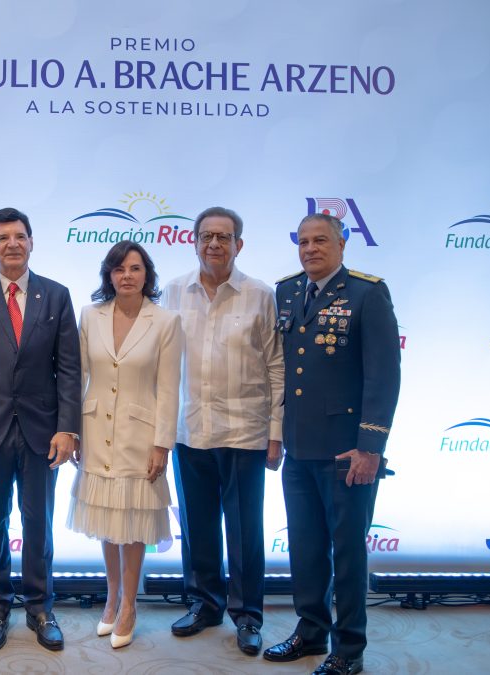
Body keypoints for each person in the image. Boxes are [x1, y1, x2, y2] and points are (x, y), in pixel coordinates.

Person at [263, 213, 400, 675]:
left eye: (320, 240)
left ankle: (350, 648)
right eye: (302, 242)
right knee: (304, 547)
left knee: (347, 553)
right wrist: (277, 435)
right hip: (299, 449)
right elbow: (285, 373)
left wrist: (370, 447)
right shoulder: (286, 291)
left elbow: (383, 377)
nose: (310, 249)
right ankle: (310, 631)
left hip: (347, 453)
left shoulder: (367, 293)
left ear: (342, 244)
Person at [0, 207, 81, 652]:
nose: (12, 244)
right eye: (3, 238)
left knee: (38, 522)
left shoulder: (56, 296)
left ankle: (41, 606)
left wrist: (68, 428)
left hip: (44, 430)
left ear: (31, 241)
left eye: (20, 236)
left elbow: (69, 369)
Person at [161, 207, 284, 656]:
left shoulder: (260, 295)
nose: (215, 244)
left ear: (239, 245)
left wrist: (276, 432)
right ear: (193, 241)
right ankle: (204, 604)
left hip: (245, 431)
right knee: (197, 527)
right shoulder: (173, 292)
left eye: (224, 237)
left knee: (246, 530)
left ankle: (248, 615)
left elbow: (276, 365)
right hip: (189, 428)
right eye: (207, 236)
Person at [67, 241, 181, 649]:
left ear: (146, 274)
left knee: (133, 524)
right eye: (118, 269)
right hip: (96, 431)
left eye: (134, 268)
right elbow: (75, 378)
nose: (126, 276)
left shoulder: (166, 322)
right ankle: (111, 597)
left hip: (140, 437)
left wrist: (162, 444)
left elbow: (169, 389)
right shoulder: (89, 316)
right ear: (108, 275)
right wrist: (73, 429)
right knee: (107, 523)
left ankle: (130, 604)